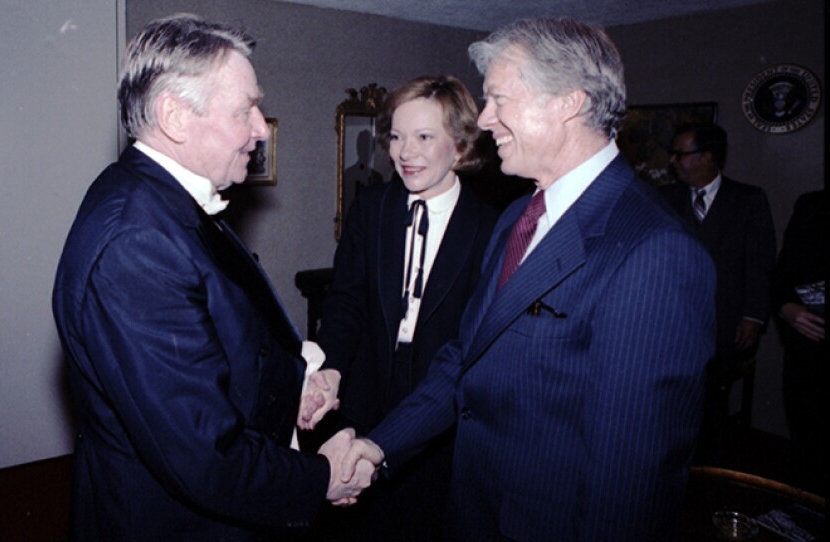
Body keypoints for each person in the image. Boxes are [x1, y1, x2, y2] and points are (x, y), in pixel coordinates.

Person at [332, 17, 716, 540]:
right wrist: (378, 447)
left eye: (498, 100)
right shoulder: (518, 218)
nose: (485, 121)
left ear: (568, 103)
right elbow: (466, 359)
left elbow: (631, 479)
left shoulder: (655, 251)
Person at [52, 14, 372, 541]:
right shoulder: (137, 243)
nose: (259, 128)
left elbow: (226, 339)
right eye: (245, 108)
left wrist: (297, 386)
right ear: (174, 117)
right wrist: (324, 478)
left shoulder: (162, 198)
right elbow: (204, 456)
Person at [299, 75, 498, 541]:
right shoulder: (371, 208)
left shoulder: (490, 228)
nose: (404, 152)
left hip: (441, 422)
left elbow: (469, 350)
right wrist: (329, 371)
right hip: (365, 404)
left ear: (462, 145)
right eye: (396, 136)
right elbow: (346, 304)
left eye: (424, 137)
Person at [659, 123, 776, 464]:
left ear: (707, 157)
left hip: (722, 325)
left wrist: (753, 316)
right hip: (669, 325)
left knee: (712, 408)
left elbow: (759, 263)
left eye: (681, 154)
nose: (673, 161)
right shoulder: (664, 199)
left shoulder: (748, 200)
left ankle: (708, 472)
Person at [771, 190, 826, 495]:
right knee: (807, 452)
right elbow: (782, 276)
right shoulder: (812, 206)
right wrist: (787, 308)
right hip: (809, 356)